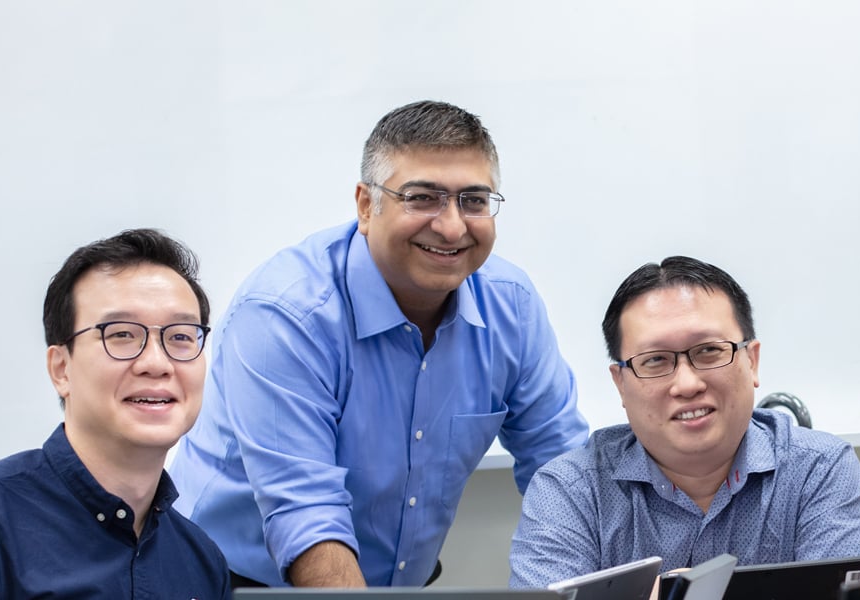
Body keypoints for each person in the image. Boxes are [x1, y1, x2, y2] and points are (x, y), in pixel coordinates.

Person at [169, 100, 589, 587]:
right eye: (422, 198)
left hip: (392, 579)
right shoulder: (286, 314)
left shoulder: (510, 305)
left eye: (473, 200)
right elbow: (306, 517)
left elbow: (563, 471)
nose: (452, 226)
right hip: (236, 580)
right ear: (367, 206)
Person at [508, 256, 860, 587]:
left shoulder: (819, 470)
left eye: (709, 351)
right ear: (621, 383)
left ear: (752, 361)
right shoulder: (570, 491)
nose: (687, 384)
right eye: (655, 360)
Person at [0, 229, 229, 598]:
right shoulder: (1, 521)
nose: (157, 363)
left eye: (181, 337)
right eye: (121, 334)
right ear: (61, 369)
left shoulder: (202, 562)